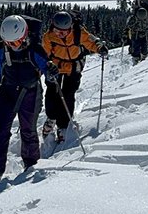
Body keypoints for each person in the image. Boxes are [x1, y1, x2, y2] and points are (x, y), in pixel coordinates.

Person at [0, 15, 57, 181]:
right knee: (0, 131)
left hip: (31, 93)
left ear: (24, 35)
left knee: (28, 130)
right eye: (7, 42)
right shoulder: (3, 51)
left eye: (14, 42)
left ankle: (31, 165)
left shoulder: (35, 50)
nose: (11, 45)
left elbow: (47, 71)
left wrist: (51, 72)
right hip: (7, 92)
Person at [40, 11, 108, 142]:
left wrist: (100, 48)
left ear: (70, 27)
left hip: (73, 66)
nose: (60, 34)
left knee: (68, 94)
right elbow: (44, 54)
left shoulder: (78, 32)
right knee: (52, 93)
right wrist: (45, 67)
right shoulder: (48, 36)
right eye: (57, 31)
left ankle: (63, 124)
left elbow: (91, 41)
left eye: (64, 32)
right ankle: (51, 118)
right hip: (55, 67)